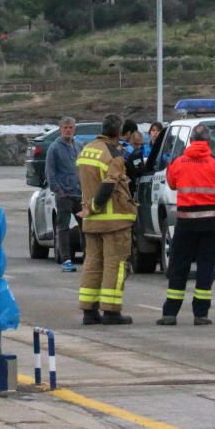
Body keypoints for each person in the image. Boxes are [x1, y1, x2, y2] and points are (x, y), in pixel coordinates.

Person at [157, 124, 215, 327]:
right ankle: (200, 314)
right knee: (206, 267)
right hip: (211, 224)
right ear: (209, 142)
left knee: (178, 266)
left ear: (191, 141)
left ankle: (170, 313)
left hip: (186, 222)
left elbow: (172, 183)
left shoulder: (177, 162)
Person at [76, 113, 137, 325]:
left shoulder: (87, 149)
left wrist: (89, 209)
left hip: (91, 221)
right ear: (119, 132)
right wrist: (95, 206)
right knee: (115, 264)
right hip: (114, 220)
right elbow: (109, 185)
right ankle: (111, 311)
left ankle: (89, 311)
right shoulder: (114, 154)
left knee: (92, 263)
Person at [46, 116, 82, 272]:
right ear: (61, 129)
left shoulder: (79, 146)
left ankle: (90, 257)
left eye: (70, 127)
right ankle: (66, 259)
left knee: (86, 226)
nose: (68, 130)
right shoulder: (54, 148)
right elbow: (50, 172)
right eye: (65, 127)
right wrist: (59, 191)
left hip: (79, 194)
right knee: (63, 228)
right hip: (64, 195)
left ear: (74, 129)